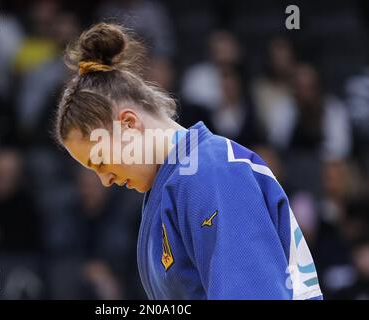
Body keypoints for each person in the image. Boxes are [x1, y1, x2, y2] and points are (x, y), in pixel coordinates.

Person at [54, 23, 323, 300]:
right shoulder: (172, 183)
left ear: (128, 124)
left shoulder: (210, 172)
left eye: (100, 162)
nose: (105, 180)